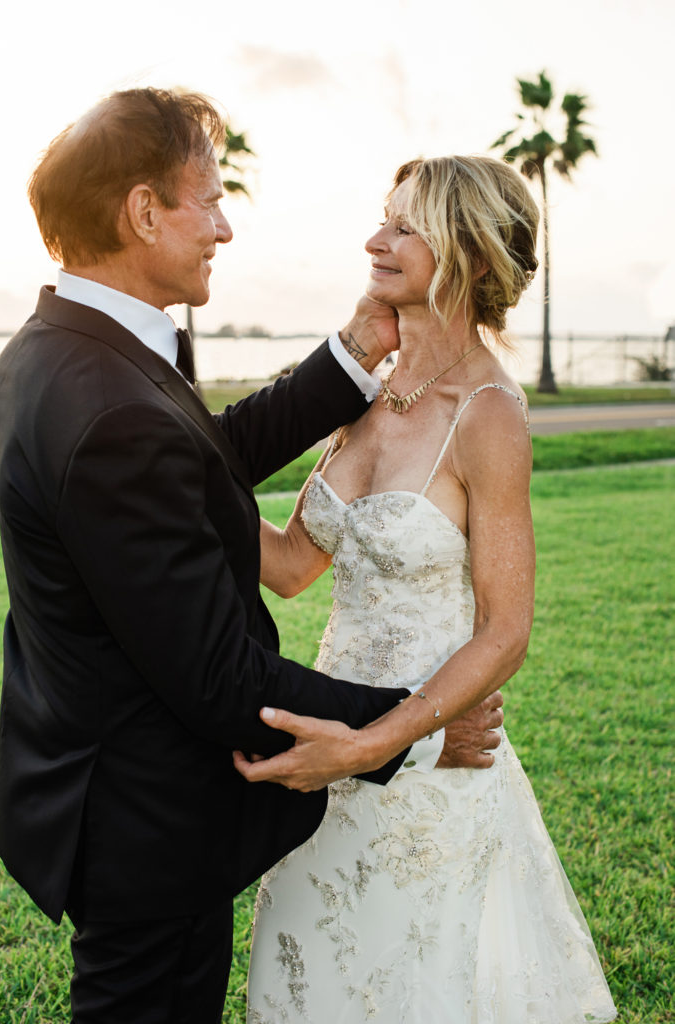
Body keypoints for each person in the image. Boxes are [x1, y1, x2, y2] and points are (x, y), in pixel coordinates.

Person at [0, 90, 503, 1023]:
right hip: (143, 816)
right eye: (210, 200)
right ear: (144, 212)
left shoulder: (66, 350)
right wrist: (416, 730)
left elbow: (195, 460)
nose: (224, 228)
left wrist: (352, 352)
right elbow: (222, 677)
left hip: (97, 780)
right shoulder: (106, 404)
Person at [238, 156, 618, 1022]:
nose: (376, 240)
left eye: (405, 226)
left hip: (428, 761)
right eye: (383, 219)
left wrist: (381, 744)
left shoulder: (489, 414)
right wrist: (177, 464)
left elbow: (504, 629)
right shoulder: (366, 390)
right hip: (329, 745)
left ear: (473, 255)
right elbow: (294, 564)